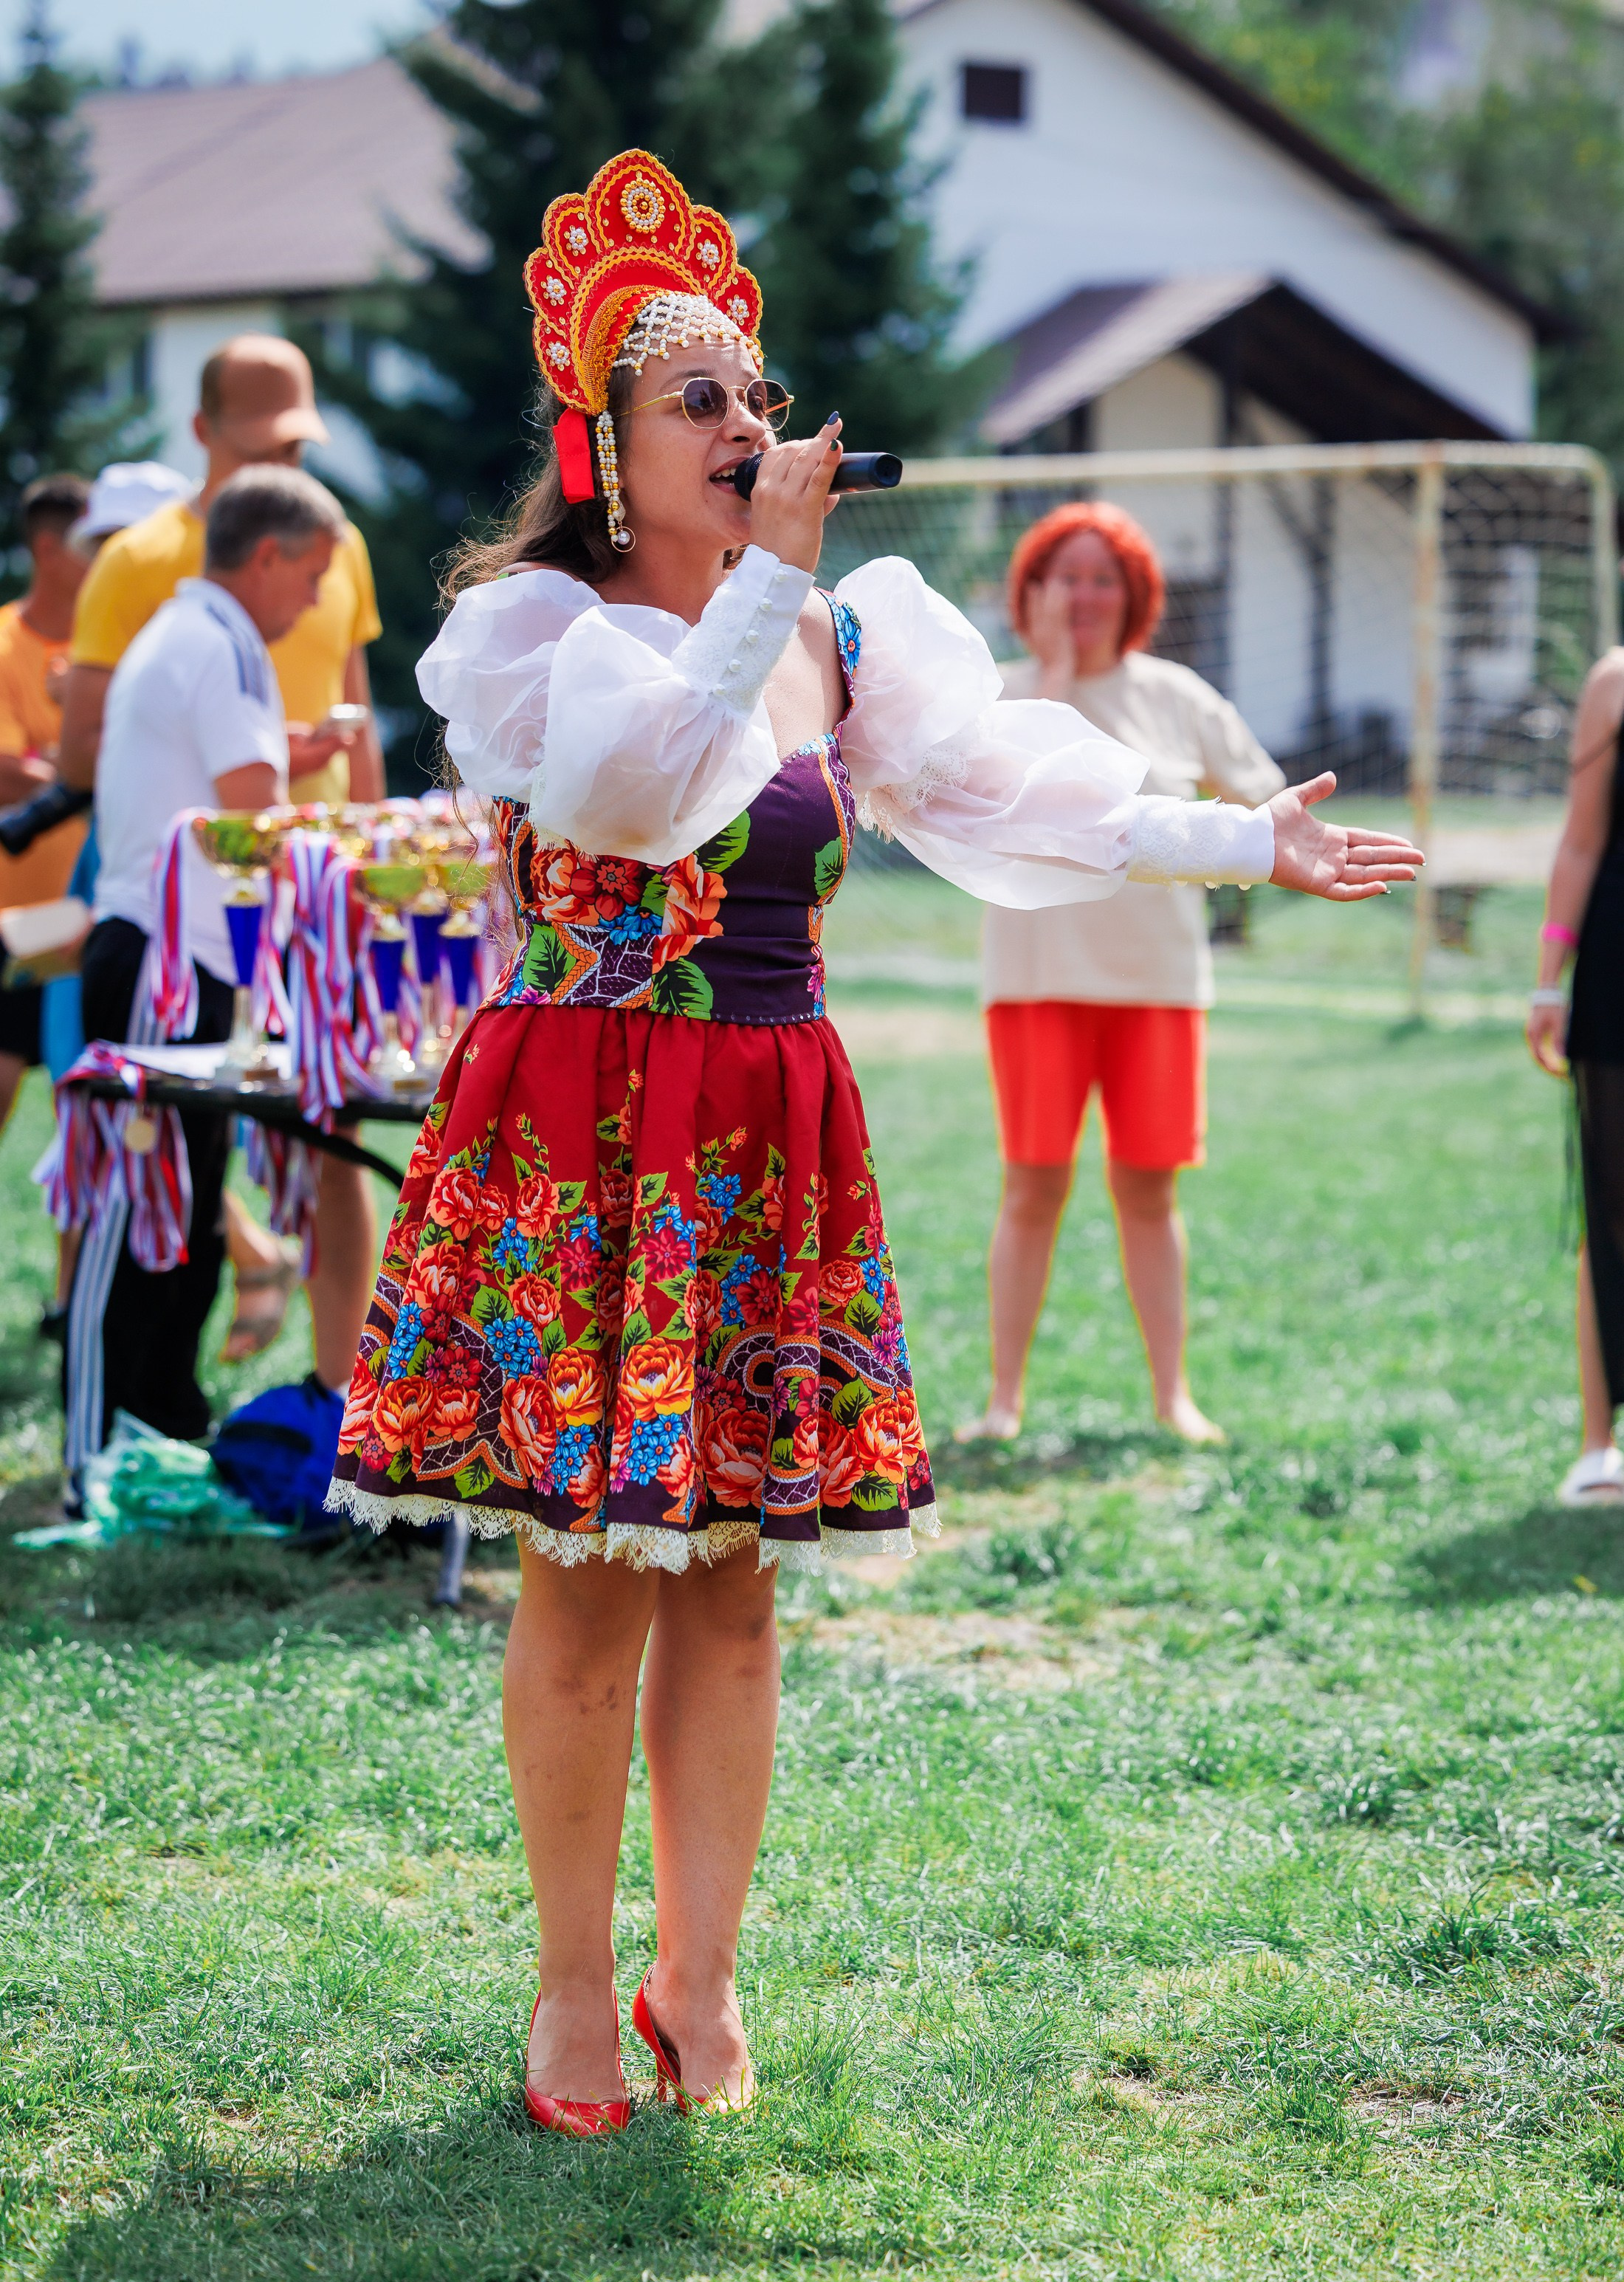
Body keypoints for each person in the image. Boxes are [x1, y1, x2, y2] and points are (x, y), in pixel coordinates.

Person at [325, 148, 1420, 2129]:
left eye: (755, 393)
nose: (746, 424)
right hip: (590, 1124)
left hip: (766, 1123)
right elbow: (642, 788)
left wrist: (1235, 837)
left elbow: (1011, 794)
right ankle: (570, 1991)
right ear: (605, 446)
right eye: (700, 399)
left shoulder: (835, 629)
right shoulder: (542, 629)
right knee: (586, 1572)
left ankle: (697, 1979)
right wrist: (762, 581)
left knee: (736, 1581)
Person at [58, 334, 384, 1385]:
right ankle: (118, 1429)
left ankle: (156, 1418)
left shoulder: (196, 627)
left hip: (175, 948)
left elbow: (219, 767)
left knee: (181, 1210)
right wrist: (383, 866)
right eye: (313, 579)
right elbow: (253, 818)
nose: (317, 603)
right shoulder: (227, 642)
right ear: (269, 558)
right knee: (151, 1218)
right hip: (168, 953)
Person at [963, 503, 1286, 1446]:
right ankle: (1004, 1400)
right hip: (1035, 984)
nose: (1084, 595)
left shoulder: (1176, 696)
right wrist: (1055, 682)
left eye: (1103, 578)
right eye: (1064, 576)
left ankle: (1172, 1395)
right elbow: (1001, 812)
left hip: (1157, 985)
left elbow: (1267, 807)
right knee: (1031, 1189)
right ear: (1030, 591)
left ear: (1135, 594)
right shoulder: (1000, 696)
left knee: (1150, 1191)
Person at [1528, 641, 1624, 1503]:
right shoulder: (1614, 681)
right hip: (1615, 978)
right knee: (1612, 1207)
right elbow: (1582, 842)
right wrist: (1547, 980)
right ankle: (1599, 1448)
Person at [0, 474, 92, 1135]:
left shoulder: (105, 651)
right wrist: (83, 770)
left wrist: (55, 766)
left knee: (106, 1115)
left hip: (91, 921)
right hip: (17, 924)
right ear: (49, 550)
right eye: (94, 544)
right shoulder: (6, 643)